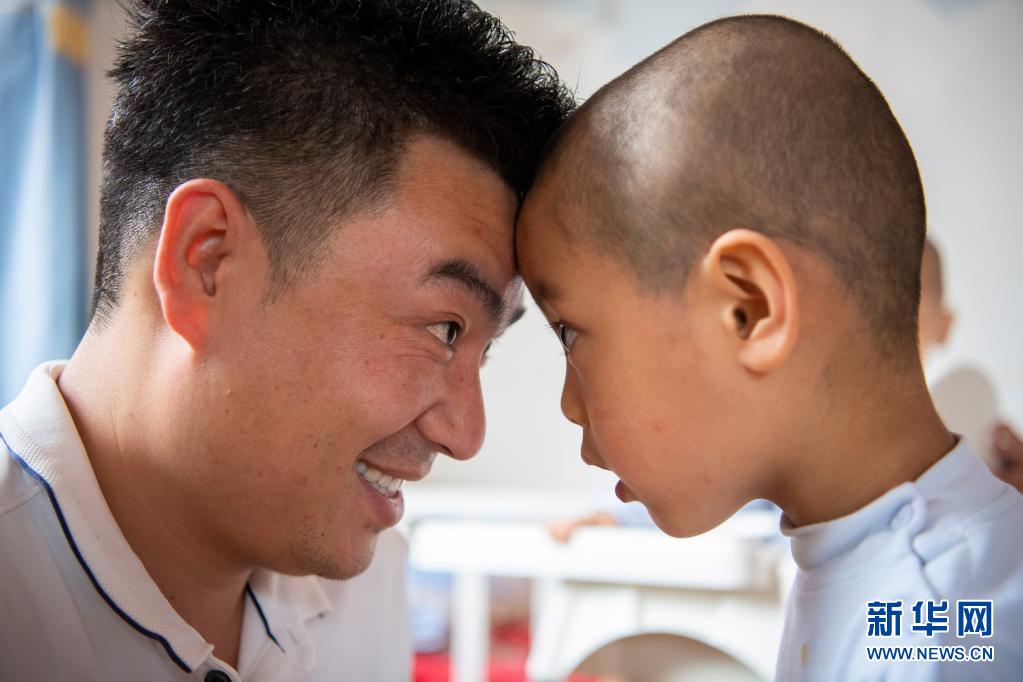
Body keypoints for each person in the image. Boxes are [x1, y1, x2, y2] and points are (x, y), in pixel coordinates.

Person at [0, 1, 573, 679]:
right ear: (207, 260)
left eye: (485, 349)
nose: (466, 434)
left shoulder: (364, 586)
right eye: (445, 328)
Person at [516, 14, 1022, 681]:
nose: (568, 404)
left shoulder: (938, 632)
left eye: (570, 333)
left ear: (747, 311)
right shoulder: (898, 580)